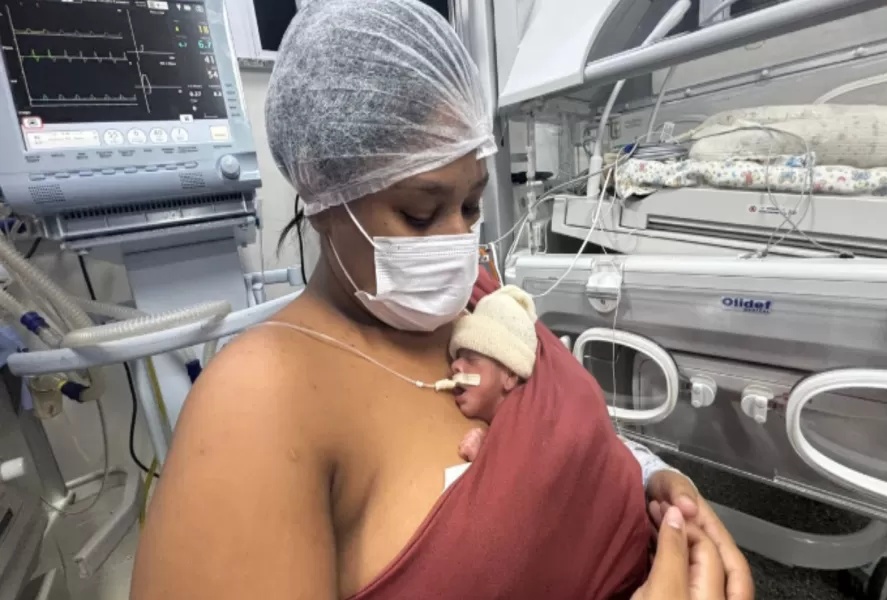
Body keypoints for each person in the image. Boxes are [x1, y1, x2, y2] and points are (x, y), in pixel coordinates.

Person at [130, 1, 754, 599]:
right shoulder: (262, 399)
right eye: (420, 213)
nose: (458, 242)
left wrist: (655, 484)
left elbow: (577, 439)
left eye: (472, 205)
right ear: (324, 199)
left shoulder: (481, 302)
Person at [447, 284, 539, 462]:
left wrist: (489, 458)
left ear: (510, 376)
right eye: (458, 357)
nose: (455, 366)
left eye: (471, 358)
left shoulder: (528, 427)